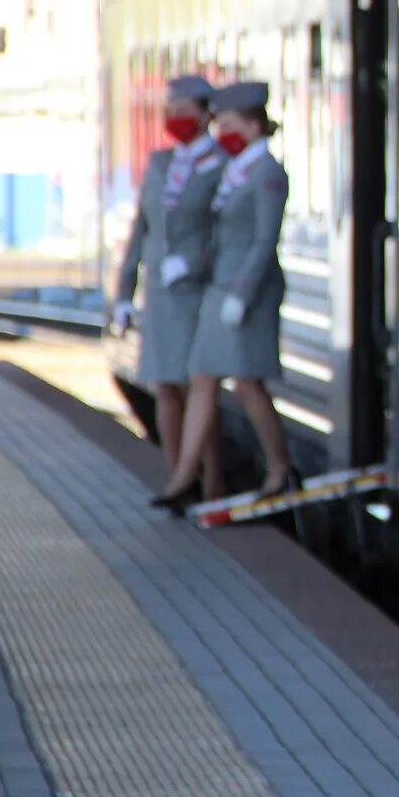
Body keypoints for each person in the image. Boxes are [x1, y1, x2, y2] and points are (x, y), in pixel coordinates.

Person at [151, 81, 297, 512]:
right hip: (219, 287)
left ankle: (279, 467)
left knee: (249, 383)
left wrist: (244, 293)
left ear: (253, 126)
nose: (222, 133)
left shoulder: (268, 173)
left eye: (230, 124)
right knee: (202, 377)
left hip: (245, 293)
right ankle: (183, 478)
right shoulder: (237, 169)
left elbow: (264, 240)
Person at [113, 72, 228, 496]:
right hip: (160, 295)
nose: (176, 118)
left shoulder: (220, 164)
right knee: (165, 386)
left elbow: (226, 232)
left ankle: (211, 480)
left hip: (196, 292)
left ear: (204, 115)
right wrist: (124, 294)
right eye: (171, 111)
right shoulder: (160, 164)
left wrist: (195, 261)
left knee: (197, 389)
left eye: (184, 111)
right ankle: (177, 473)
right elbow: (140, 230)